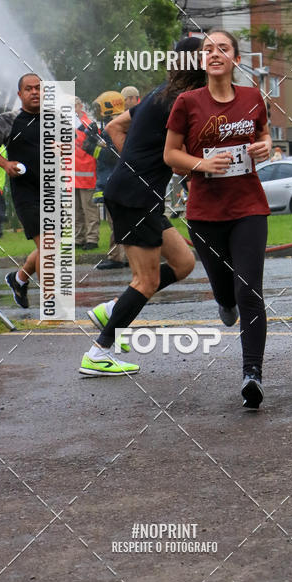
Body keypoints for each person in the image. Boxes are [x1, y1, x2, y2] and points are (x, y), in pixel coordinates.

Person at [79, 39, 205, 377]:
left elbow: (114, 126)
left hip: (137, 194)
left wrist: (135, 165)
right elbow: (177, 161)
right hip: (135, 197)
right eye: (207, 55)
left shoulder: (161, 93)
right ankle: (98, 353)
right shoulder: (180, 101)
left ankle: (113, 309)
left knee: (183, 263)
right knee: (146, 281)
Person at [164, 30, 272, 409]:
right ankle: (224, 303)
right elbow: (170, 155)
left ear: (235, 59)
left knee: (249, 291)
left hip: (249, 208)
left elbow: (264, 135)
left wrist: (266, 147)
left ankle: (252, 374)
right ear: (201, 61)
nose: (214, 53)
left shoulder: (252, 97)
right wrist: (202, 164)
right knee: (227, 296)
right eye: (207, 49)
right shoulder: (187, 102)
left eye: (222, 48)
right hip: (205, 214)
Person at [0, 74, 41, 308]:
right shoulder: (8, 120)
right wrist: (5, 164)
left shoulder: (53, 119)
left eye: (38, 88)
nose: (34, 92)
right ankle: (53, 304)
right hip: (25, 192)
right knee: (48, 248)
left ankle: (19, 279)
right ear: (20, 94)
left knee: (51, 247)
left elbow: (68, 147)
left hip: (52, 191)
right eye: (29, 89)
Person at [82, 91, 129, 270]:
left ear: (109, 106)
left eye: (99, 107)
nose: (97, 111)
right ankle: (128, 256)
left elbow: (112, 155)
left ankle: (117, 258)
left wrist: (91, 147)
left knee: (116, 221)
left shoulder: (115, 125)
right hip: (115, 181)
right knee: (119, 221)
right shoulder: (121, 122)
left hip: (115, 182)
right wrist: (92, 136)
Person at [74, 97, 99, 250]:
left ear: (80, 106)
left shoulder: (89, 125)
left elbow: (96, 149)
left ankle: (92, 239)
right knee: (75, 211)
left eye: (73, 106)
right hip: (72, 176)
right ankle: (79, 238)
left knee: (89, 209)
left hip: (87, 174)